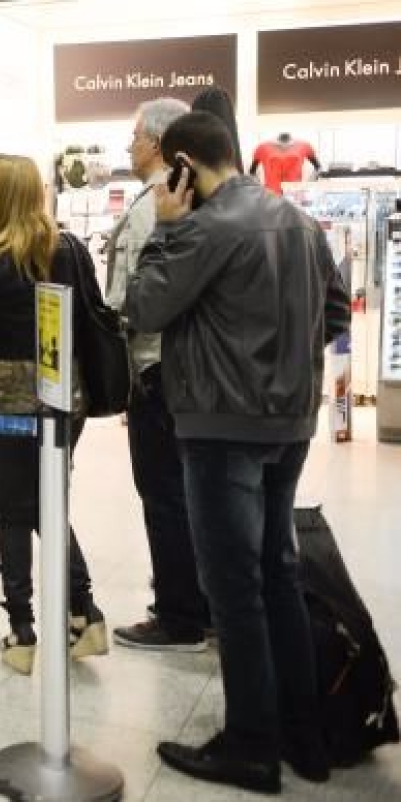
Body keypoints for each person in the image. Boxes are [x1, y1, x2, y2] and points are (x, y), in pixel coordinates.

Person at [128, 111, 351, 794]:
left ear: (184, 166)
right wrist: (278, 360)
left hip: (221, 425)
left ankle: (251, 743)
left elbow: (142, 306)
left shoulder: (201, 228)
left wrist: (165, 229)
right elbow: (337, 313)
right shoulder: (299, 224)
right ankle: (301, 734)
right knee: (275, 571)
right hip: (290, 422)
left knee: (233, 588)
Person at [0, 154, 107, 675]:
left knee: (15, 511)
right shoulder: (70, 248)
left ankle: (22, 630)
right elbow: (93, 315)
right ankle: (84, 612)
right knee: (47, 503)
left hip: (7, 399)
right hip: (65, 396)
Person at [105, 97, 210, 653]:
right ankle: (195, 598)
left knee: (164, 493)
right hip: (175, 368)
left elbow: (138, 297)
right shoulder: (176, 199)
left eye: (135, 134)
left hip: (154, 367)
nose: (129, 144)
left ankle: (179, 615)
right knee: (182, 491)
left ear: (156, 141)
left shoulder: (156, 206)